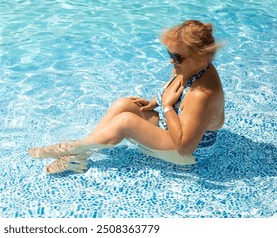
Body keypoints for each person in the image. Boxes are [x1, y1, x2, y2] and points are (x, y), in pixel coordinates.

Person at [29, 20, 225, 174]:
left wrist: (166, 107)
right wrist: (155, 102)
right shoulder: (190, 68)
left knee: (125, 122)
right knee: (124, 104)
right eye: (170, 54)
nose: (171, 60)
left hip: (189, 153)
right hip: (172, 130)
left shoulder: (202, 94)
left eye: (177, 57)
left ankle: (71, 148)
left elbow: (185, 148)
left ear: (200, 57)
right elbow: (176, 93)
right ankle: (81, 153)